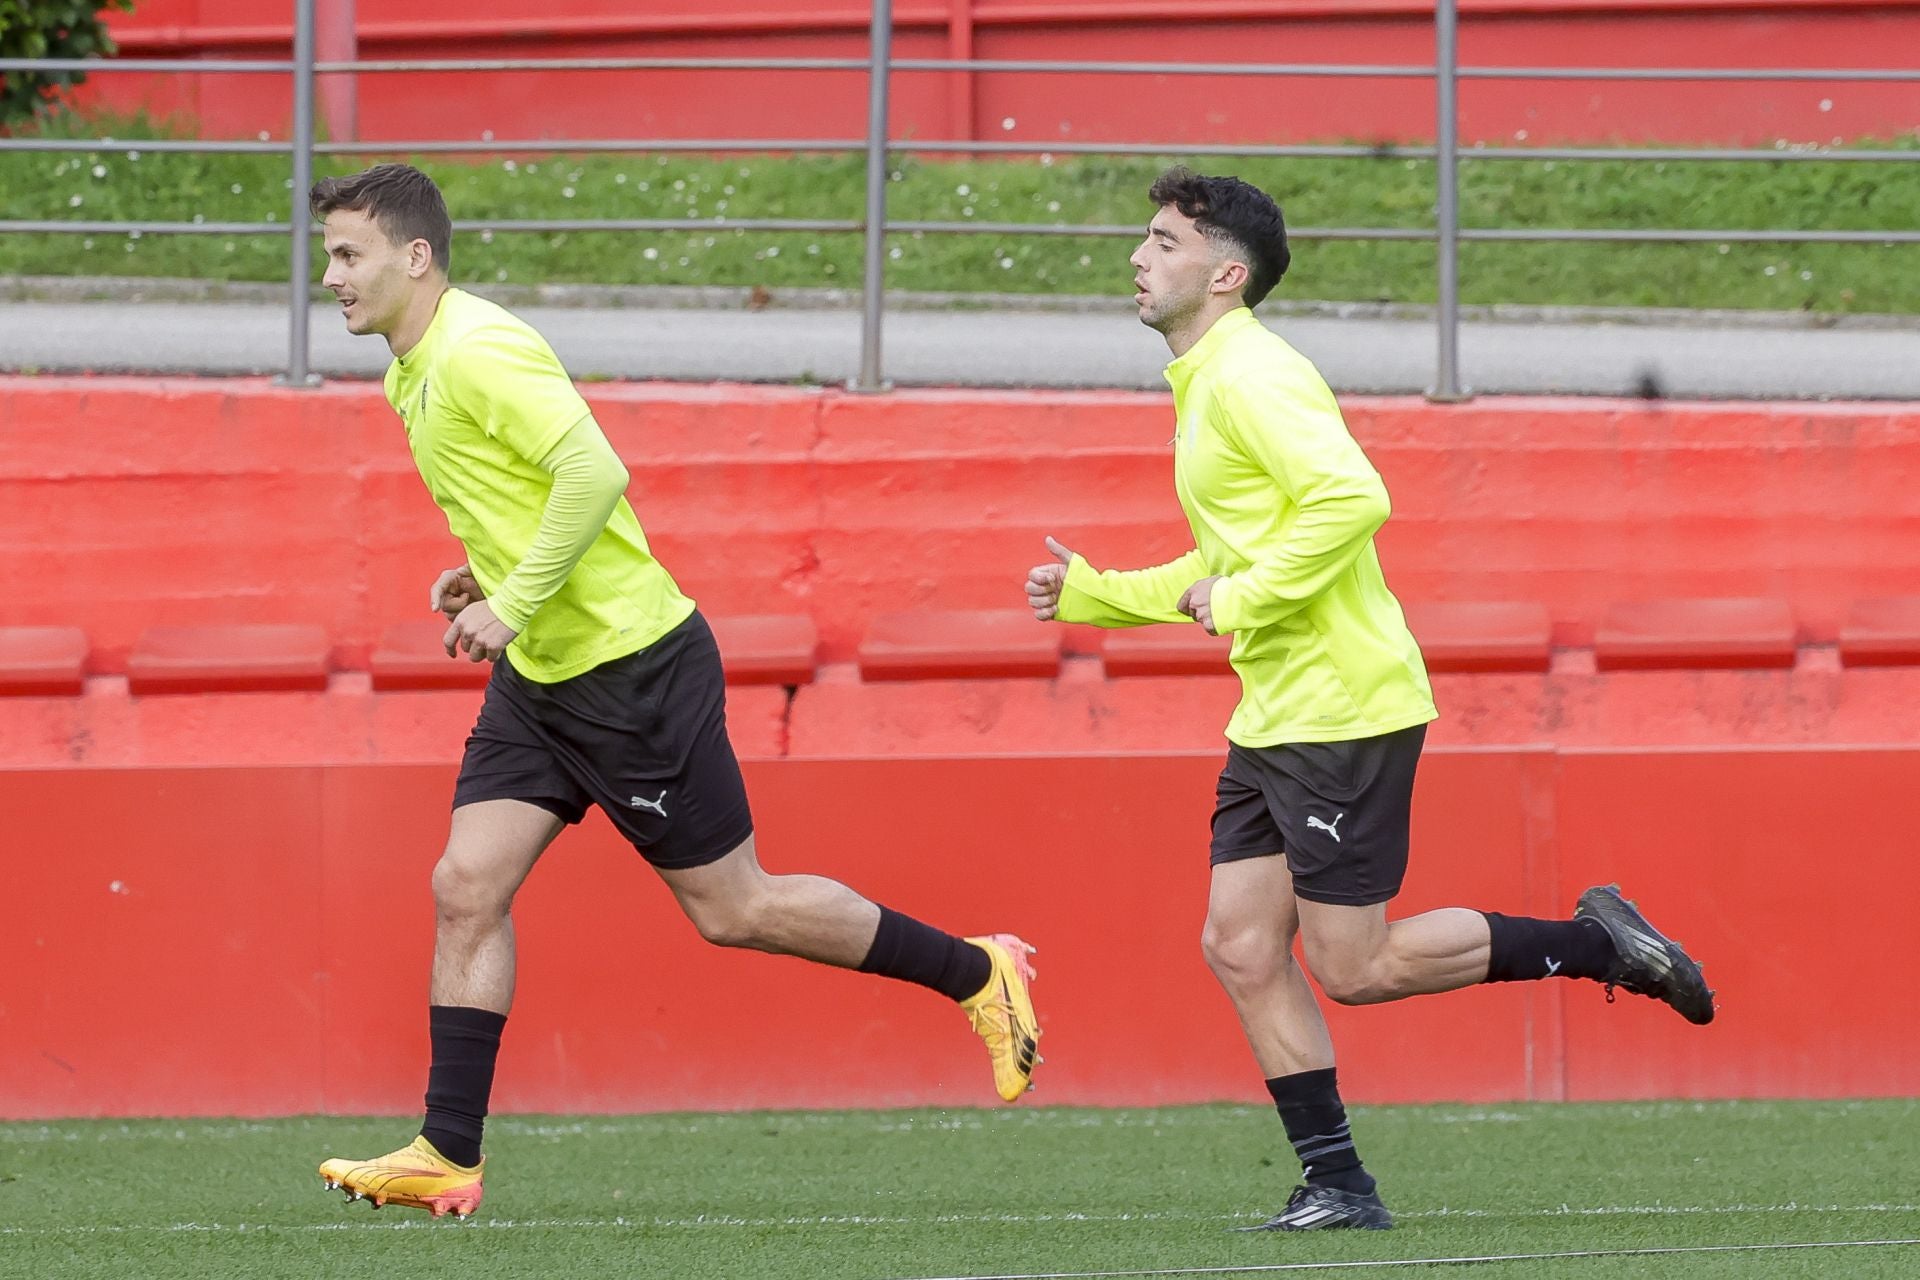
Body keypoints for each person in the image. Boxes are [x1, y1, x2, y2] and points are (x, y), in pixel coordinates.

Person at [308, 163, 1040, 1220]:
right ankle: (448, 1150)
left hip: (631, 669)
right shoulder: (409, 366)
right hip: (545, 678)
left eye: (347, 254)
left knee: (736, 907)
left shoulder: (474, 348)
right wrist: (493, 570)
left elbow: (594, 470)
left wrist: (510, 599)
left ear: (414, 258)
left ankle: (977, 971)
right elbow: (535, 490)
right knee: (466, 882)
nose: (330, 275)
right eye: (329, 254)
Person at [1023, 166, 1713, 1232]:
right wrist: (1094, 591)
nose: (1139, 257)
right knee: (1242, 944)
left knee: (1357, 964)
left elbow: (1354, 497)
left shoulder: (1252, 375)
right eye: (1146, 239)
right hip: (1279, 712)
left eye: (1164, 242)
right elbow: (1221, 565)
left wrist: (1242, 592)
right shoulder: (1208, 382)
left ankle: (1600, 945)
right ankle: (1337, 1183)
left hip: (1339, 708)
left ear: (1225, 274)